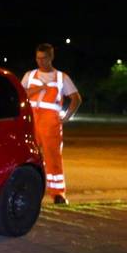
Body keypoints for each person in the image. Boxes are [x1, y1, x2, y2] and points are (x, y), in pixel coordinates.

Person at [22, 43, 82, 205]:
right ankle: (27, 190)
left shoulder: (62, 77)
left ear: (51, 57)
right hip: (31, 120)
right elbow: (21, 95)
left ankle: (58, 194)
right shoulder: (30, 75)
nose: (40, 62)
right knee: (28, 157)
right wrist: (38, 89)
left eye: (44, 58)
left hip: (50, 123)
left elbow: (76, 98)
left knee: (53, 158)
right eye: (38, 58)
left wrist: (68, 116)